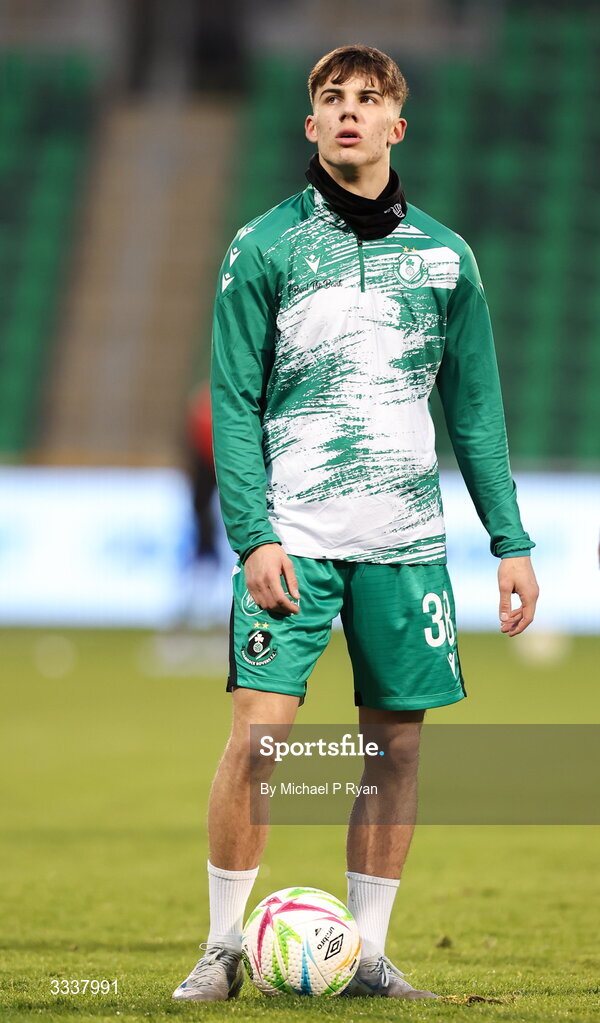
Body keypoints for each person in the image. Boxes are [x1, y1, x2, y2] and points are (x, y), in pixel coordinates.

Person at [172, 44, 539, 1002]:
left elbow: (477, 411)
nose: (348, 112)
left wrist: (510, 541)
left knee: (397, 746)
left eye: (367, 100)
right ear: (309, 124)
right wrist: (252, 533)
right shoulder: (264, 248)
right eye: (331, 98)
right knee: (262, 737)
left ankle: (369, 952)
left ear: (395, 126)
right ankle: (221, 948)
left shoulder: (447, 257)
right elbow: (233, 398)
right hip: (292, 535)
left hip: (406, 541)